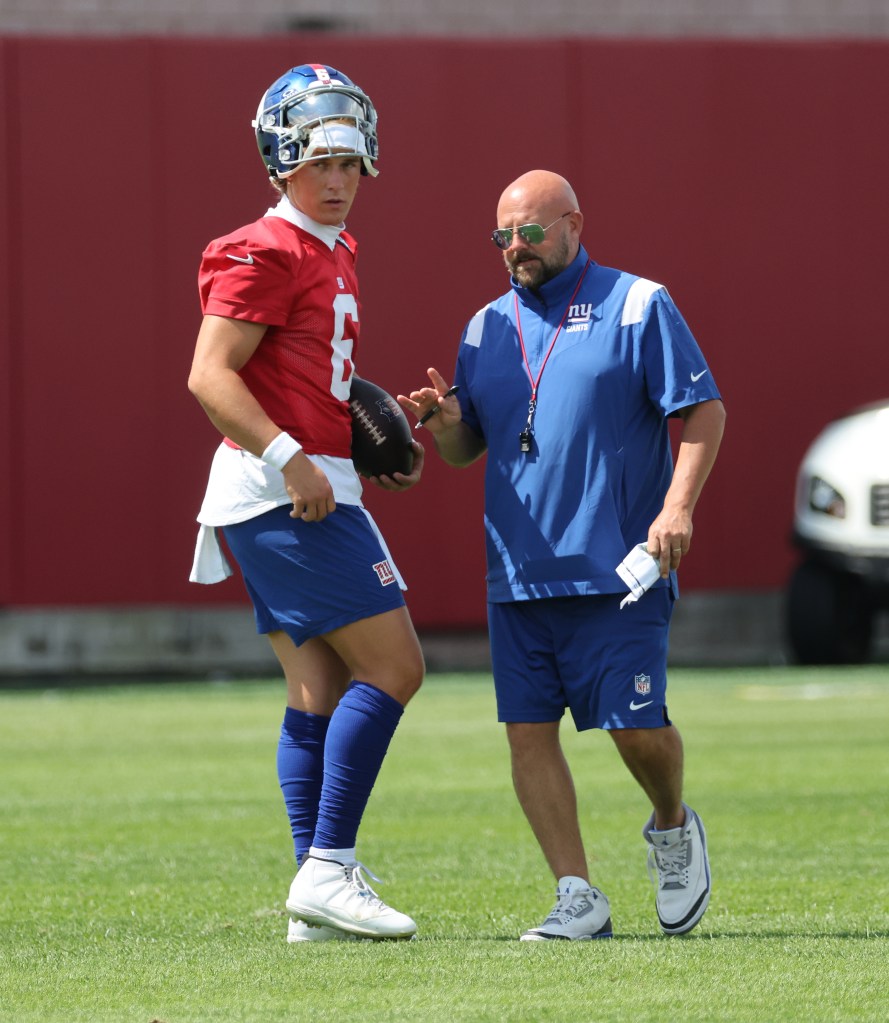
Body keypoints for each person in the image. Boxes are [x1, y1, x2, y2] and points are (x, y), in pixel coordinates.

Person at [401, 169, 726, 941]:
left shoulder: (638, 303)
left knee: (634, 727)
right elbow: (466, 447)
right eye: (502, 236)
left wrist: (676, 507)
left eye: (530, 231)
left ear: (573, 226)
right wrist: (444, 420)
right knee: (526, 733)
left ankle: (672, 825)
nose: (515, 247)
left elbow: (703, 409)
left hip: (619, 568)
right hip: (516, 573)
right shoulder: (483, 327)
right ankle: (575, 894)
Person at [187, 63, 425, 943]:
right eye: (318, 164)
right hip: (280, 493)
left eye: (350, 166)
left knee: (318, 682)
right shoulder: (261, 247)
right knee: (397, 667)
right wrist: (292, 458)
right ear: (280, 161)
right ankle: (327, 868)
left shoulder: (334, 250)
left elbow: (310, 379)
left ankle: (313, 896)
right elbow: (208, 375)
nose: (336, 183)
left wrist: (388, 429)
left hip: (300, 484)